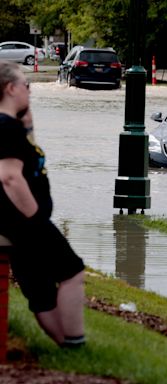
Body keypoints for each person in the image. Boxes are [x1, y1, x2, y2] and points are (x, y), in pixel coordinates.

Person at [0, 60, 85, 348]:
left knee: (40, 290)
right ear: (11, 88)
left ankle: (66, 346)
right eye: (27, 85)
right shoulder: (5, 128)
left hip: (15, 221)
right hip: (23, 221)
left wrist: (26, 113)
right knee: (73, 272)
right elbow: (9, 178)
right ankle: (74, 343)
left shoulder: (11, 126)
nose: (30, 91)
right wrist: (36, 220)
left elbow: (27, 134)